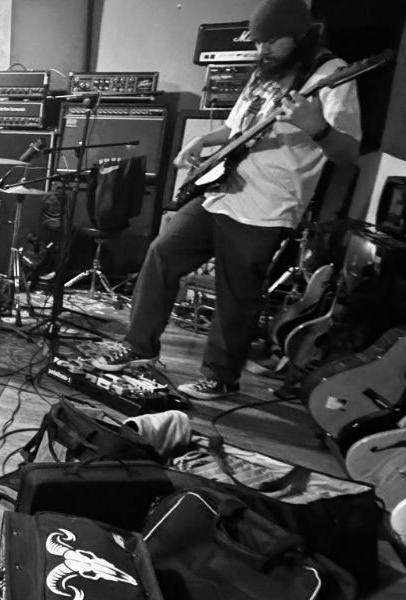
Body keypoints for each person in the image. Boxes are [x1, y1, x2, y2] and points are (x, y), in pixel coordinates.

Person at [92, 0, 361, 400]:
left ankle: (220, 376)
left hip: (267, 205)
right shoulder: (266, 72)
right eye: (258, 41)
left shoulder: (332, 76)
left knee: (236, 293)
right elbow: (238, 129)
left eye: (272, 40)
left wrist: (316, 126)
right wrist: (203, 141)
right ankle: (138, 346)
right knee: (163, 253)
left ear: (301, 35)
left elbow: (349, 152)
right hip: (221, 191)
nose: (262, 49)